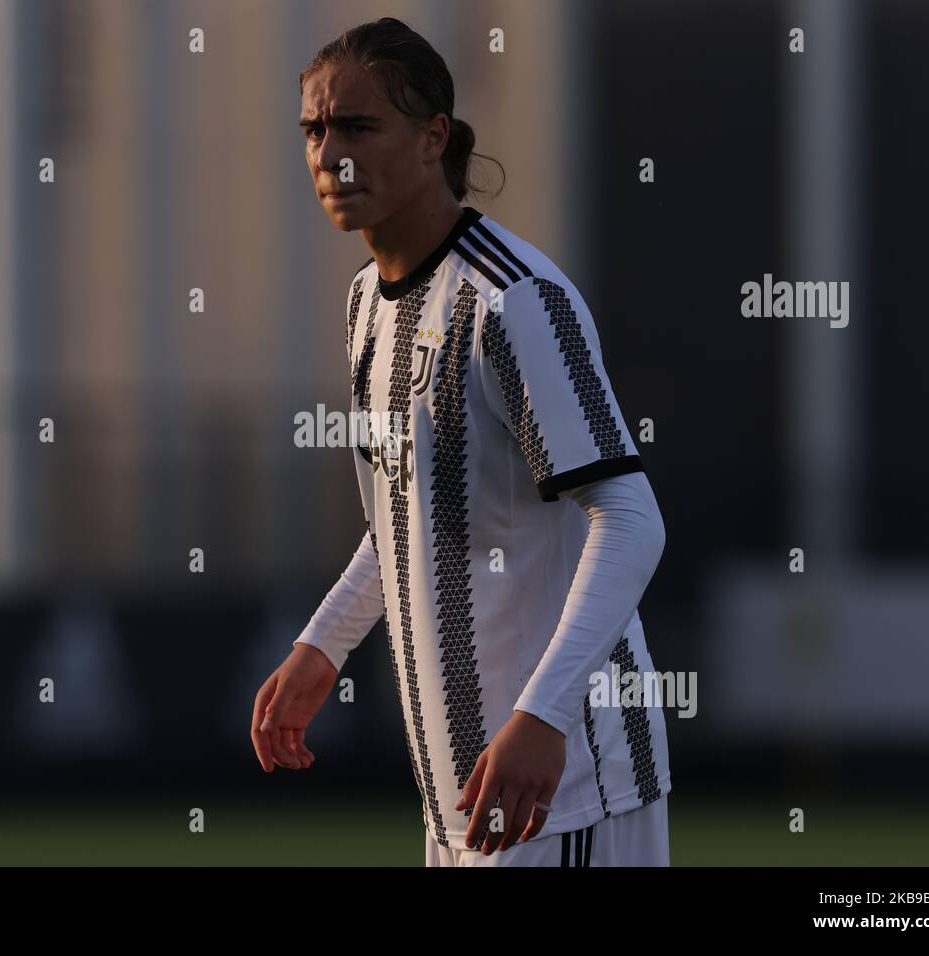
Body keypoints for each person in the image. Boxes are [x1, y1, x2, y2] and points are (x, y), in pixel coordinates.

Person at [252, 17, 671, 867]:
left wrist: (545, 715)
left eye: (360, 127)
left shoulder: (513, 301)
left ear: (433, 136)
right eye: (315, 129)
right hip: (464, 800)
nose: (333, 154)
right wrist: (322, 645)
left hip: (569, 786)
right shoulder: (366, 303)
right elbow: (408, 515)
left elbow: (630, 519)